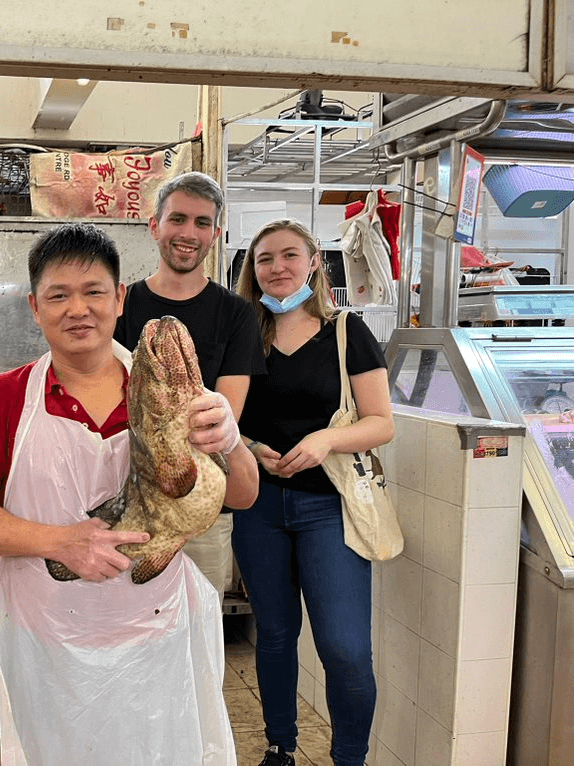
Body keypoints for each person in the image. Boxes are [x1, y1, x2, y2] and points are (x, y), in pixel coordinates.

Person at [0, 222, 258, 765]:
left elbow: (243, 495)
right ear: (35, 307)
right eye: (58, 296)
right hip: (48, 639)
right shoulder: (2, 400)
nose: (77, 309)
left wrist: (233, 443)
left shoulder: (173, 392)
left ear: (120, 299)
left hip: (156, 629)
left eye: (93, 292)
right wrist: (61, 542)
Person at [233, 219, 394, 766]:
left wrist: (327, 439)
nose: (277, 268)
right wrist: (251, 446)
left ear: (314, 263)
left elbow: (380, 423)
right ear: (251, 272)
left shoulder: (347, 332)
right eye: (264, 260)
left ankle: (349, 757)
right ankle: (280, 745)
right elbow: (221, 419)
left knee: (345, 651)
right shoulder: (243, 338)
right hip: (258, 508)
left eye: (289, 256)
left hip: (330, 507)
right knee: (274, 637)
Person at [114, 170, 266, 594]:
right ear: (154, 226)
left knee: (196, 638)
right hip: (128, 498)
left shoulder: (237, 314)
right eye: (177, 219)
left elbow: (223, 421)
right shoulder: (121, 304)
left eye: (202, 223)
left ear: (216, 233)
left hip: (202, 515)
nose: (188, 232)